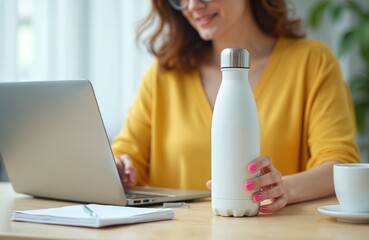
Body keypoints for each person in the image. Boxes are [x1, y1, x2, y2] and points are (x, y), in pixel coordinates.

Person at [111, 0, 360, 213]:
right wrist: (120, 166)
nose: (192, 6)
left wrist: (284, 188)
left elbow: (338, 165)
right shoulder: (165, 74)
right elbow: (126, 153)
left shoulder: (312, 62)